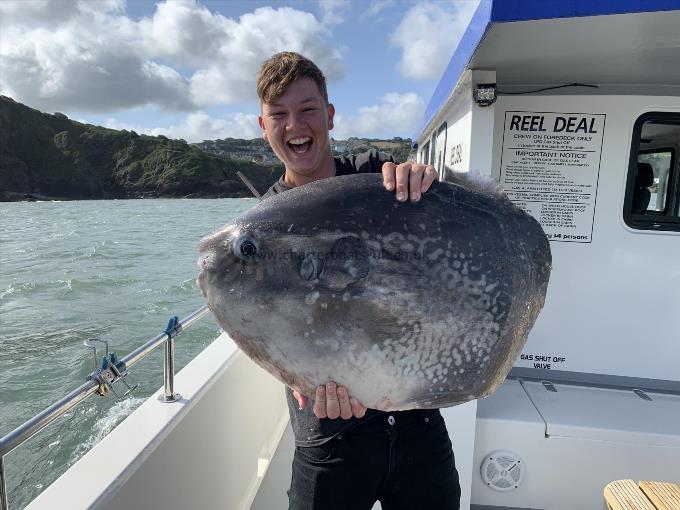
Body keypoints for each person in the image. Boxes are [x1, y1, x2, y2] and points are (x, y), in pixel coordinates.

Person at [257, 51, 461, 510]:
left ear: (329, 116)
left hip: (417, 423)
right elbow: (269, 326)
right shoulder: (264, 228)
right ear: (263, 125)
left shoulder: (378, 179)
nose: (295, 125)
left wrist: (426, 184)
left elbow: (436, 259)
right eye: (279, 114)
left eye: (308, 109)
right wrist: (295, 375)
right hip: (329, 433)